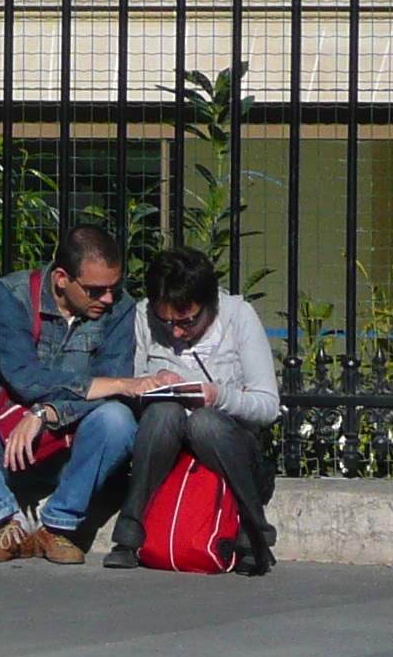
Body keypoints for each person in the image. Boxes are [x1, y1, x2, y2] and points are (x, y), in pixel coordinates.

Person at [0, 222, 146, 565]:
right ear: (61, 278)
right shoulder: (11, 295)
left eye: (113, 288)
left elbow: (113, 387)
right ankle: (4, 523)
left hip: (71, 449)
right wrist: (98, 387)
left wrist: (46, 413)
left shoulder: (120, 307)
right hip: (6, 441)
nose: (107, 298)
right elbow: (24, 378)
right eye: (95, 290)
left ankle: (57, 527)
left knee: (117, 419)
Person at [102, 245, 281, 574]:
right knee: (163, 413)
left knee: (204, 423)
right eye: (165, 320)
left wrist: (218, 396)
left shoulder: (239, 317)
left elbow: (268, 405)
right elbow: (128, 387)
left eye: (186, 321)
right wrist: (151, 382)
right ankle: (128, 534)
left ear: (210, 303)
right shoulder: (143, 316)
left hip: (226, 440)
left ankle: (254, 530)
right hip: (166, 440)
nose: (176, 332)